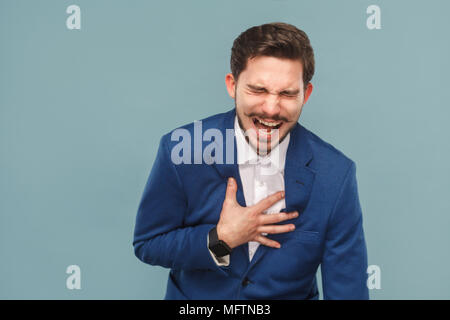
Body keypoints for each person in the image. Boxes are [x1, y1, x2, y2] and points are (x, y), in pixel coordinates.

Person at [133, 22, 369, 300]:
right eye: (258, 90)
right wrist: (221, 239)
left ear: (305, 94)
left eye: (287, 93)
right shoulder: (182, 150)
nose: (271, 108)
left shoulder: (336, 174)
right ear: (232, 85)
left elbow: (348, 289)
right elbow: (148, 244)